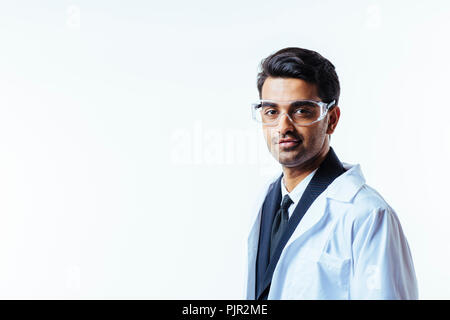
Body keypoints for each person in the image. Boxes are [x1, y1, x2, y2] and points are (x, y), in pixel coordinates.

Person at [246, 47, 418, 300]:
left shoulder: (368, 215)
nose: (283, 127)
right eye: (272, 111)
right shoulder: (268, 197)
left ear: (332, 119)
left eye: (301, 111)